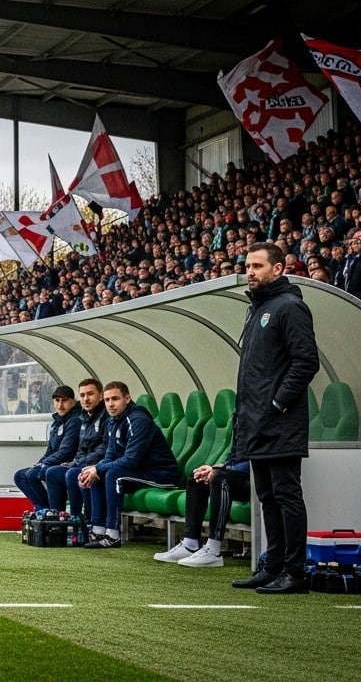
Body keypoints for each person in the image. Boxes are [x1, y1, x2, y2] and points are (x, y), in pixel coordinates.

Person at [231, 242, 319, 593]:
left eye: (257, 266)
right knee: (266, 496)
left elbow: (306, 361)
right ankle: (274, 564)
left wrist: (278, 404)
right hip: (257, 422)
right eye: (247, 266)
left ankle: (295, 573)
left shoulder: (290, 307)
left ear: (278, 269)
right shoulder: (257, 309)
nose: (249, 272)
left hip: (280, 421)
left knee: (286, 495)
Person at [79, 381, 178, 549]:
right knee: (96, 474)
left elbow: (131, 459)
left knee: (113, 474)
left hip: (161, 474)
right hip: (139, 472)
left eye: (115, 399)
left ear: (127, 398)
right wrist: (94, 469)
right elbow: (110, 455)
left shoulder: (138, 420)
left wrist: (99, 468)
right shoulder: (112, 421)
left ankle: (113, 535)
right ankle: (98, 530)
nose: (110, 404)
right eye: (107, 400)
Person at [153, 432, 250, 568]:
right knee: (197, 478)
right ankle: (190, 544)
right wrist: (217, 467)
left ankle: (214, 550)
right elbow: (235, 455)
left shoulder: (257, 414)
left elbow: (257, 458)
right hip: (237, 473)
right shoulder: (240, 414)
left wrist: (222, 469)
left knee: (219, 477)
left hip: (256, 476)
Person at [46, 378, 106, 518]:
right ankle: (54, 518)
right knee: (52, 473)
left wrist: (82, 463)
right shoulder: (85, 417)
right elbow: (81, 447)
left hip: (99, 465)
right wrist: (42, 462)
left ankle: (81, 519)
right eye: (83, 395)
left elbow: (105, 448)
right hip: (85, 463)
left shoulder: (105, 416)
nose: (86, 399)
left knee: (73, 474)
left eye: (90, 394)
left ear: (101, 395)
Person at [12, 385, 79, 509]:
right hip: (53, 463)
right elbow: (50, 450)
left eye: (64, 400)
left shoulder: (75, 420)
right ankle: (43, 509)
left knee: (34, 474)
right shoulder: (57, 421)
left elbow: (66, 452)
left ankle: (51, 512)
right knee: (19, 476)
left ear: (72, 401)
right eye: (57, 400)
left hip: (67, 464)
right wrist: (40, 463)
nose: (60, 405)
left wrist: (43, 464)